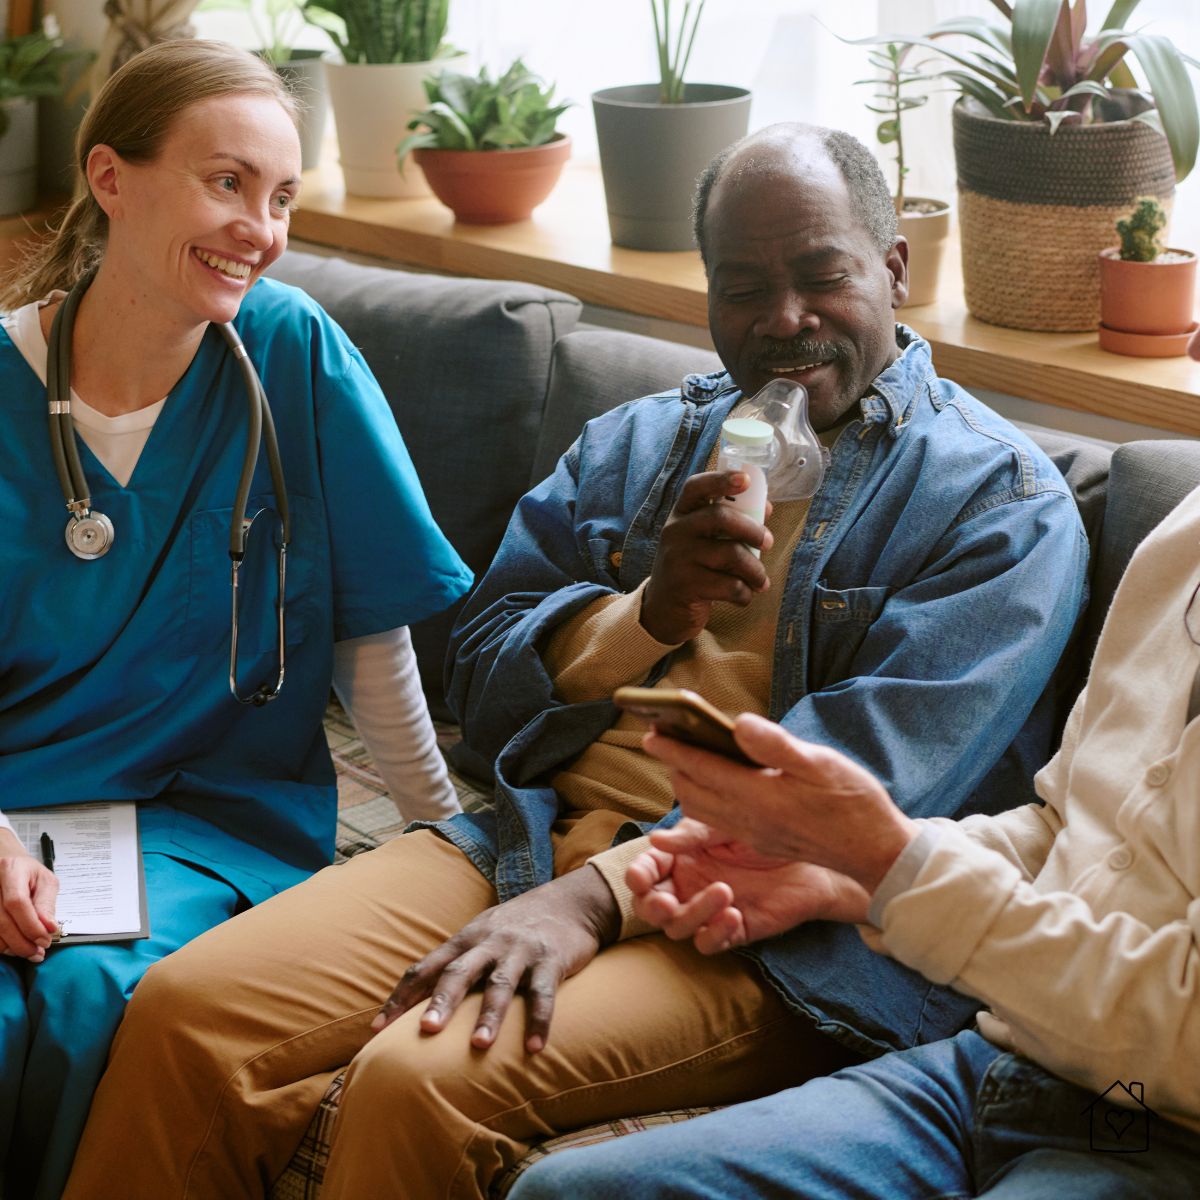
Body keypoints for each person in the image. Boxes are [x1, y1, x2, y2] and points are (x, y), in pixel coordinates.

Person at [62, 124, 1088, 1200]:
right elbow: (479, 692)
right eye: (744, 287)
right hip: (525, 834)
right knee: (186, 1012)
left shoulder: (996, 508)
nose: (786, 321)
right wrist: (647, 613)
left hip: (755, 930)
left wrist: (594, 899)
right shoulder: (640, 445)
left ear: (892, 269)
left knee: (419, 1079)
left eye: (822, 276)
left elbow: (845, 801)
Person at [503, 413, 1200, 1199]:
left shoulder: (1000, 501)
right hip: (1005, 1060)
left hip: (1171, 1132)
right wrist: (846, 876)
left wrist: (893, 865)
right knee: (565, 1194)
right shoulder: (1186, 531)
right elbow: (1061, 831)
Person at [0, 39, 472, 1200]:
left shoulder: (292, 351)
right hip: (14, 808)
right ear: (110, 178)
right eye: (227, 183)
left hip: (217, 816)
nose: (259, 229)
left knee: (84, 994)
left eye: (282, 198)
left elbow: (373, 633)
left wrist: (451, 850)